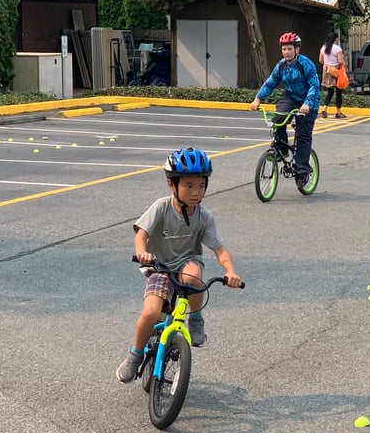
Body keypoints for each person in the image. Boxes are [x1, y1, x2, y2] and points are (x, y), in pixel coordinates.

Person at [116, 147, 243, 383]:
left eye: (201, 186)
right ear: (171, 185)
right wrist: (142, 252)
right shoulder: (162, 207)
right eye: (189, 185)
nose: (196, 192)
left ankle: (195, 318)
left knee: (194, 276)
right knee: (151, 312)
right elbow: (141, 234)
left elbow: (219, 249)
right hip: (160, 266)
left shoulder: (204, 216)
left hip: (187, 263)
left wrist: (230, 271)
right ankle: (134, 356)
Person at [249, 32, 322, 190]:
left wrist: (307, 104)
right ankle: (282, 148)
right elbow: (271, 82)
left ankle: (302, 170)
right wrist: (257, 99)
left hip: (309, 101)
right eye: (284, 49)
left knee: (303, 134)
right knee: (278, 119)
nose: (286, 52)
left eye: (289, 49)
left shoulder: (305, 64)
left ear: (297, 49)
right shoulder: (281, 65)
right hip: (290, 98)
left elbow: (315, 86)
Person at [318, 31, 346, 119]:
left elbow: (320, 60)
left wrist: (328, 64)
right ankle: (338, 113)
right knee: (338, 92)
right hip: (336, 71)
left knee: (330, 92)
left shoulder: (323, 47)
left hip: (327, 70)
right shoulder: (337, 48)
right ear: (335, 39)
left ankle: (324, 110)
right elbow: (340, 61)